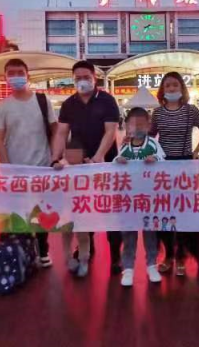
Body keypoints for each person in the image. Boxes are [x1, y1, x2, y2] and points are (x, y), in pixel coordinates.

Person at [52, 60, 122, 274]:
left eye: (86, 77)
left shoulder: (107, 101)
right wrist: (55, 158)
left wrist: (99, 157)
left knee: (111, 210)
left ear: (95, 78)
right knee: (83, 208)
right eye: (78, 78)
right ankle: (86, 250)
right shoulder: (69, 104)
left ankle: (116, 256)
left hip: (105, 164)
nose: (82, 81)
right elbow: (61, 133)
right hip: (78, 166)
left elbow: (110, 131)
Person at [0, 58, 57, 268]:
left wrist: (55, 157)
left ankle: (43, 249)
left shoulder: (42, 100)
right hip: (15, 169)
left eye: (20, 72)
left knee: (42, 210)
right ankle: (23, 252)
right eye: (11, 73)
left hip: (42, 166)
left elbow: (55, 130)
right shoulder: (2, 107)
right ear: (5, 78)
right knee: (18, 212)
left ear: (28, 75)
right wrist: (6, 167)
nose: (16, 77)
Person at [150, 72, 199, 277]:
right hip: (163, 167)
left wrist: (196, 151)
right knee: (165, 213)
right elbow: (149, 137)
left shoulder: (191, 111)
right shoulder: (157, 113)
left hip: (186, 166)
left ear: (182, 88)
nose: (171, 89)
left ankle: (182, 255)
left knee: (185, 212)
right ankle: (168, 255)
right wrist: (133, 141)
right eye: (167, 85)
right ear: (162, 90)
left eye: (175, 85)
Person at [114, 107, 166, 287]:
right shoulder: (125, 145)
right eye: (133, 124)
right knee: (128, 234)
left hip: (149, 197)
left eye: (141, 124)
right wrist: (118, 161)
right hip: (128, 199)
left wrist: (155, 159)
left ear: (148, 125)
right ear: (127, 125)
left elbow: (163, 159)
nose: (137, 128)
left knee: (150, 232)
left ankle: (151, 265)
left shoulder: (152, 143)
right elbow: (114, 164)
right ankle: (128, 268)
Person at [55, 138, 91, 278]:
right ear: (65, 154)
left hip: (82, 209)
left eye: (76, 155)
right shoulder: (62, 166)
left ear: (82, 155)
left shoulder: (88, 166)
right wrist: (56, 166)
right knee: (66, 236)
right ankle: (69, 259)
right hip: (65, 210)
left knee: (83, 237)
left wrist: (91, 165)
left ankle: (83, 260)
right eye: (70, 155)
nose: (73, 158)